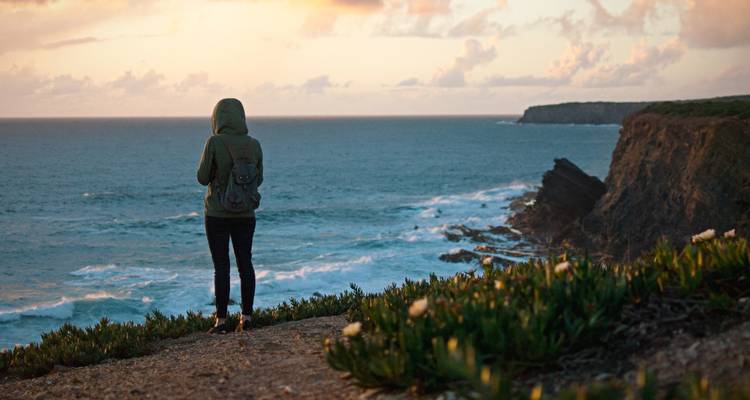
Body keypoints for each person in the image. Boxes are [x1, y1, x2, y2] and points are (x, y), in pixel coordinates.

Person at [197, 98, 263, 334]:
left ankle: (221, 322)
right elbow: (260, 179)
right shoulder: (254, 144)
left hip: (217, 213)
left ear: (217, 118)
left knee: (221, 266)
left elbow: (202, 177)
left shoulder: (214, 142)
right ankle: (247, 318)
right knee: (246, 264)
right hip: (246, 214)